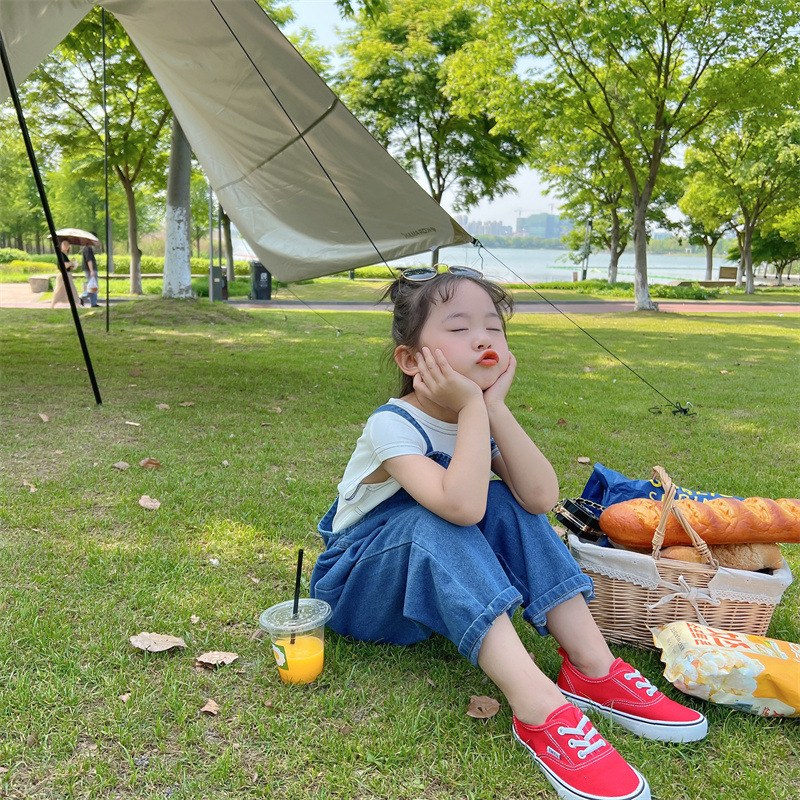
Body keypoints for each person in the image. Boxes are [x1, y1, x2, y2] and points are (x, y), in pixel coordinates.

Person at [310, 266, 707, 800]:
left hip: (425, 591)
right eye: (458, 328)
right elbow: (460, 508)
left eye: (493, 327)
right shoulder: (392, 424)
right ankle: (539, 708)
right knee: (437, 517)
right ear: (410, 360)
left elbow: (541, 498)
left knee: (507, 501)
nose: (482, 339)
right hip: (357, 592)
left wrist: (491, 408)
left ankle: (593, 667)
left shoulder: (476, 417)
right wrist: (474, 407)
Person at [50, 238, 80, 308]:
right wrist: (71, 263)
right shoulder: (61, 255)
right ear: (61, 245)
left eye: (67, 244)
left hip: (67, 275)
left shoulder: (65, 255)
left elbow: (70, 266)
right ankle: (53, 305)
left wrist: (73, 264)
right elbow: (64, 265)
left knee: (71, 290)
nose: (66, 246)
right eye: (64, 244)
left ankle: (77, 304)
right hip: (63, 275)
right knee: (60, 291)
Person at [80, 236, 99, 308]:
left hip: (88, 269)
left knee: (92, 286)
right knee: (93, 286)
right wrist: (91, 270)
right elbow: (89, 260)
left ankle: (93, 302)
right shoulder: (88, 248)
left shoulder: (85, 248)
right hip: (90, 269)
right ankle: (83, 297)